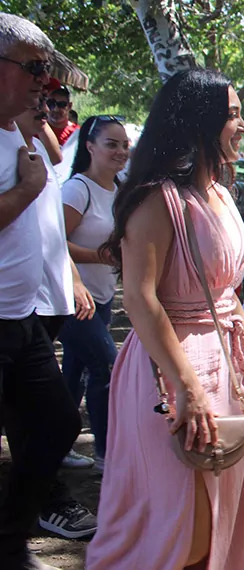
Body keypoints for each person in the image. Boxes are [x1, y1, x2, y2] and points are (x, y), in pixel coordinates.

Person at [85, 68, 244, 570]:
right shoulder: (155, 198)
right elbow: (141, 299)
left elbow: (229, 293)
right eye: (231, 115)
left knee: (216, 520)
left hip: (225, 363)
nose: (242, 125)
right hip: (169, 370)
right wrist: (185, 385)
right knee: (177, 524)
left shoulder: (222, 194)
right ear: (197, 122)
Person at [0, 13, 84, 570]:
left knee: (58, 422)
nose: (44, 82)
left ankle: (8, 538)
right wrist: (29, 189)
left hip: (23, 316)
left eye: (49, 72)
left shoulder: (15, 129)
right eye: (33, 68)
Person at [11, 91, 99, 540]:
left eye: (55, 102)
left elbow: (49, 234)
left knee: (56, 419)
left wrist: (74, 279)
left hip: (40, 305)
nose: (48, 107)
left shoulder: (36, 155)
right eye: (38, 96)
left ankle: (26, 511)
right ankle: (44, 504)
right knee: (35, 417)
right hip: (14, 313)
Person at [57, 114, 129, 471]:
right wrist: (96, 257)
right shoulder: (77, 189)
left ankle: (53, 445)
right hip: (72, 299)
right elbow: (53, 242)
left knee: (72, 376)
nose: (120, 152)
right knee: (108, 368)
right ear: (89, 146)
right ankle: (107, 454)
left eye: (124, 145)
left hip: (102, 299)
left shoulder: (118, 191)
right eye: (111, 144)